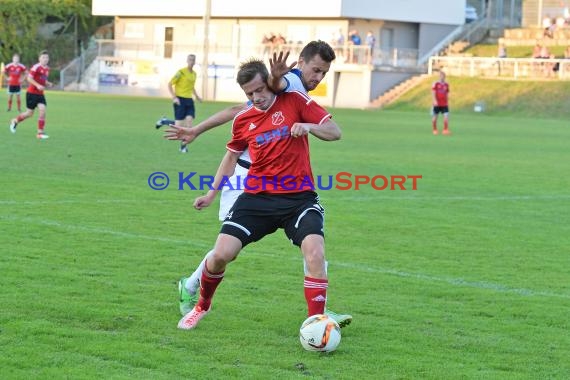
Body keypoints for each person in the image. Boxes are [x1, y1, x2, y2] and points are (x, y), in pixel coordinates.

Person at [165, 41, 352, 328]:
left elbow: (329, 127)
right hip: (248, 179)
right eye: (315, 70)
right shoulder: (282, 86)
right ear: (299, 63)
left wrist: (308, 126)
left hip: (293, 189)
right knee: (223, 251)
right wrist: (210, 186)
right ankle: (192, 288)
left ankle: (318, 314)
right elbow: (242, 109)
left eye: (323, 73)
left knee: (314, 249)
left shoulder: (293, 95)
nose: (318, 77)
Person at [155, 53, 202, 153]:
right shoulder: (181, 72)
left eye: (193, 60)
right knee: (179, 125)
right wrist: (174, 97)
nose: (191, 62)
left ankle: (183, 147)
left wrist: (197, 96)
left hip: (189, 100)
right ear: (187, 61)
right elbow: (170, 84)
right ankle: (164, 121)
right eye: (190, 60)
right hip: (180, 100)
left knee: (189, 124)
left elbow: (191, 86)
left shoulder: (194, 74)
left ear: (195, 62)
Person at [9, 50, 52, 139]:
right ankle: (15, 121)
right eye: (43, 57)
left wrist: (48, 83)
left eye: (47, 57)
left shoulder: (47, 69)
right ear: (39, 58)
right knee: (29, 113)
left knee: (42, 110)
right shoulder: (35, 67)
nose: (45, 59)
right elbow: (29, 78)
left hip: (40, 94)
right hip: (31, 93)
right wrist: (38, 85)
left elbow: (42, 79)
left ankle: (40, 133)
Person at [431, 70, 450, 136]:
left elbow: (447, 93)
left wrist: (447, 101)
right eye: (441, 76)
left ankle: (445, 130)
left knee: (446, 116)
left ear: (444, 77)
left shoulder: (446, 84)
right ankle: (434, 129)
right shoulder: (435, 83)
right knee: (435, 117)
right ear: (439, 77)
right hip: (437, 104)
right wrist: (434, 100)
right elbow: (433, 92)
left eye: (443, 76)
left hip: (444, 104)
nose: (442, 77)